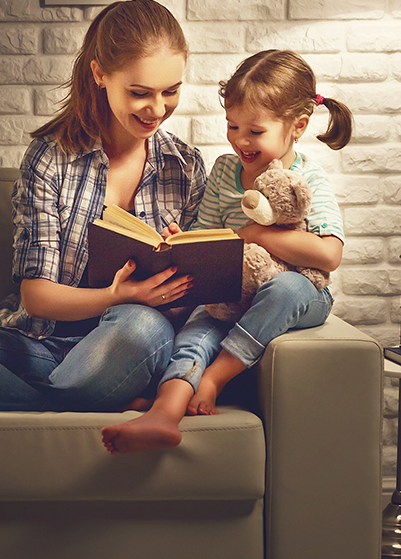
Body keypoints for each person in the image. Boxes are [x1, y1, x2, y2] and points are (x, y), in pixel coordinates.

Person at [0, 0, 208, 429]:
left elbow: (195, 304)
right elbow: (38, 297)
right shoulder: (51, 157)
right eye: (139, 92)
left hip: (124, 343)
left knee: (142, 328)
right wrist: (117, 294)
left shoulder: (185, 167)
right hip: (41, 344)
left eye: (171, 91)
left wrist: (175, 275)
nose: (157, 109)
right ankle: (68, 402)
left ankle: (59, 396)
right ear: (99, 75)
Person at [101, 49, 353, 454]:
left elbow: (328, 255)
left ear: (298, 127)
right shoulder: (223, 171)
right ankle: (164, 413)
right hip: (233, 290)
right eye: (232, 126)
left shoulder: (307, 178)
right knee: (199, 328)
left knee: (285, 287)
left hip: (302, 292)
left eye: (255, 131)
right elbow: (208, 233)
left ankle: (217, 377)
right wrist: (182, 243)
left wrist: (257, 234)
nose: (239, 140)